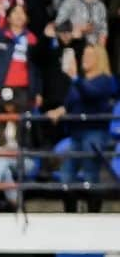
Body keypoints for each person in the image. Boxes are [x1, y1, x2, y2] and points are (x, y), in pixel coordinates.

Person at [49, 44, 117, 211]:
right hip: (76, 134)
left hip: (94, 133)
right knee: (66, 174)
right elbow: (71, 102)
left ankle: (93, 214)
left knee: (90, 173)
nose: (85, 59)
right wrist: (60, 110)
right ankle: (70, 214)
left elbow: (91, 93)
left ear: (99, 60)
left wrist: (74, 78)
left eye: (89, 56)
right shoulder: (80, 81)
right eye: (84, 55)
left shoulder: (105, 81)